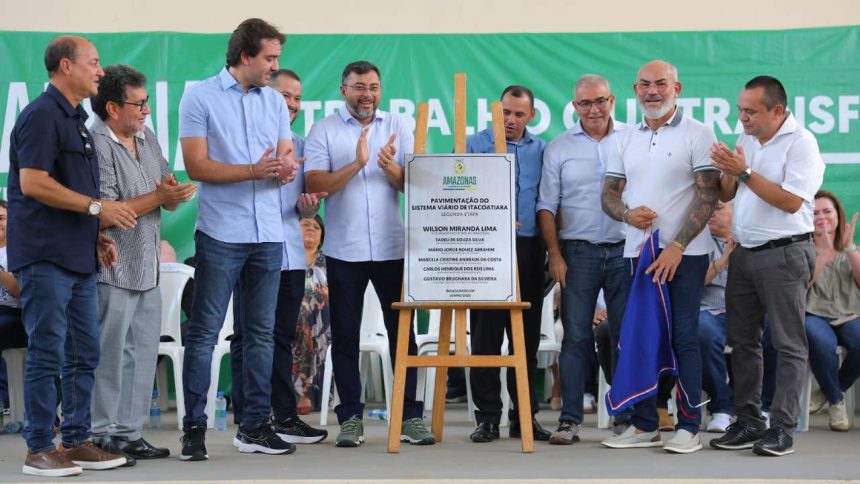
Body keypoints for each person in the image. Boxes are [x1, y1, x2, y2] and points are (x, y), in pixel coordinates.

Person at [8, 36, 134, 477]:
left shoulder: (76, 120)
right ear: (66, 66)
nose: (101, 71)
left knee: (83, 353)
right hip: (45, 255)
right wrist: (98, 209)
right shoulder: (42, 115)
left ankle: (76, 441)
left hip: (77, 254)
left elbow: (72, 191)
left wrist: (94, 234)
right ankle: (40, 448)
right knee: (47, 351)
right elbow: (34, 182)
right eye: (93, 63)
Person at [178, 18, 298, 460]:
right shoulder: (199, 96)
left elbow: (283, 158)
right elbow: (196, 166)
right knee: (204, 334)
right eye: (269, 57)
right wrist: (254, 170)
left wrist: (286, 169)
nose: (275, 66)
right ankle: (194, 429)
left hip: (268, 232)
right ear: (245, 56)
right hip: (221, 233)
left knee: (261, 334)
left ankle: (254, 427)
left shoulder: (274, 103)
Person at [304, 60, 434, 447]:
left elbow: (418, 184)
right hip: (345, 251)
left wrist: (391, 169)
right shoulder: (324, 129)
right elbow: (315, 183)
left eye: (374, 87)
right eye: (360, 87)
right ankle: (350, 420)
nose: (368, 95)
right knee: (345, 336)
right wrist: (357, 164)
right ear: (344, 90)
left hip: (392, 248)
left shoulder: (398, 125)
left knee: (403, 336)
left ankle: (410, 417)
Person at [600, 60, 720, 454]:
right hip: (638, 254)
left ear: (677, 88)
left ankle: (689, 427)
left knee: (684, 338)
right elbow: (609, 194)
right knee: (641, 338)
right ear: (635, 90)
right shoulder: (623, 139)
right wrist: (627, 214)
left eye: (661, 84)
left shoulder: (698, 132)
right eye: (645, 85)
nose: (653, 91)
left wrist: (676, 246)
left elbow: (708, 195)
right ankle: (644, 425)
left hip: (685, 255)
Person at [709, 75, 824, 456]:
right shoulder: (748, 139)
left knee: (788, 342)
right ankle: (748, 421)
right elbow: (728, 192)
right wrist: (728, 169)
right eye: (740, 110)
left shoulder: (801, 143)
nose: (742, 118)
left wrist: (744, 172)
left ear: (777, 110)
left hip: (785, 253)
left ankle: (782, 428)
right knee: (742, 341)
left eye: (751, 112)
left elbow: (791, 202)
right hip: (744, 252)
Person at [88, 64, 196, 465]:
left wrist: (172, 195)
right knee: (110, 353)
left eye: (147, 101)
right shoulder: (96, 143)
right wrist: (159, 197)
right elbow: (106, 211)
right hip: (112, 264)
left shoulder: (146, 137)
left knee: (142, 352)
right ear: (113, 108)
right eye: (139, 103)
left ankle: (129, 433)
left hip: (149, 265)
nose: (147, 110)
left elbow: (162, 186)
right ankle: (101, 435)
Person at [229, 68, 328, 445]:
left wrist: (309, 208)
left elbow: (303, 207)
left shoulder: (302, 146)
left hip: (289, 255)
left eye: (298, 98)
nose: (293, 104)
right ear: (265, 97)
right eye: (285, 96)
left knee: (282, 337)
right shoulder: (245, 141)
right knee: (249, 336)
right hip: (252, 251)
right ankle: (250, 420)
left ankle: (284, 417)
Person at [537, 74, 630, 445]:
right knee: (575, 338)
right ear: (575, 106)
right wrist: (555, 255)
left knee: (624, 336)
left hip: (625, 251)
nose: (594, 109)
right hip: (577, 253)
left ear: (612, 100)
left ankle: (626, 416)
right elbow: (546, 207)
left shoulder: (633, 138)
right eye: (586, 103)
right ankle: (569, 421)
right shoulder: (558, 148)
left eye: (600, 101)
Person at [467, 85, 549, 443]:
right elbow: (455, 192)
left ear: (531, 116)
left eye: (518, 114)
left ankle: (524, 417)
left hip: (528, 248)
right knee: (485, 337)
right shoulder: (473, 145)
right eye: (505, 112)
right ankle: (487, 418)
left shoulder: (542, 150)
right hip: (484, 247)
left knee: (526, 339)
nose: (510, 120)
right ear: (495, 111)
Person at [804, 190, 859, 431]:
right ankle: (836, 401)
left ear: (838, 215)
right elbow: (802, 285)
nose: (821, 217)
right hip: (813, 314)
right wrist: (824, 255)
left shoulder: (852, 247)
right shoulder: (801, 248)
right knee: (820, 341)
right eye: (815, 213)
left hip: (850, 314)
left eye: (827, 211)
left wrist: (849, 249)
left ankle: (828, 391)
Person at [698, 201, 737, 433]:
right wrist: (722, 262)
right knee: (701, 330)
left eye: (719, 207)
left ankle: (764, 407)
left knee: (777, 329)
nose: (711, 212)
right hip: (708, 311)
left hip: (743, 313)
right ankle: (722, 407)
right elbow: (694, 283)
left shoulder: (750, 241)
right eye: (708, 207)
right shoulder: (697, 243)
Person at [293, 215, 331, 413]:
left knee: (309, 322)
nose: (311, 228)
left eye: (316, 227)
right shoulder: (287, 259)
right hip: (288, 318)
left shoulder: (329, 262)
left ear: (322, 236)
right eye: (305, 224)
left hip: (323, 322)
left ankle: (304, 394)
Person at [0, 201, 27, 413]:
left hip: (17, 314)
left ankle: (5, 398)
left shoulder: (21, 250)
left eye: (1, 218)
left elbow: (21, 291)